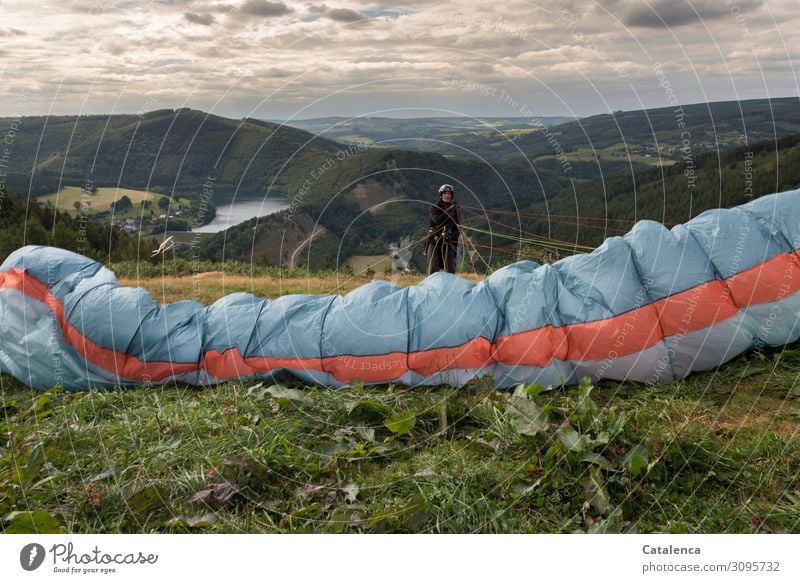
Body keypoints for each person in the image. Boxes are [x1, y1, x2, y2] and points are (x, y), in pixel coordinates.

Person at [426, 183, 460, 274]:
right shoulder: (434, 208)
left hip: (449, 241)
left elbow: (458, 227)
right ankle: (432, 286)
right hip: (435, 240)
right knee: (433, 266)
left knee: (450, 267)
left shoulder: (455, 210)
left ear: (451, 196)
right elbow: (437, 220)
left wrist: (452, 236)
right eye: (445, 193)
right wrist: (449, 210)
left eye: (449, 194)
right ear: (441, 195)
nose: (447, 195)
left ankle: (451, 285)